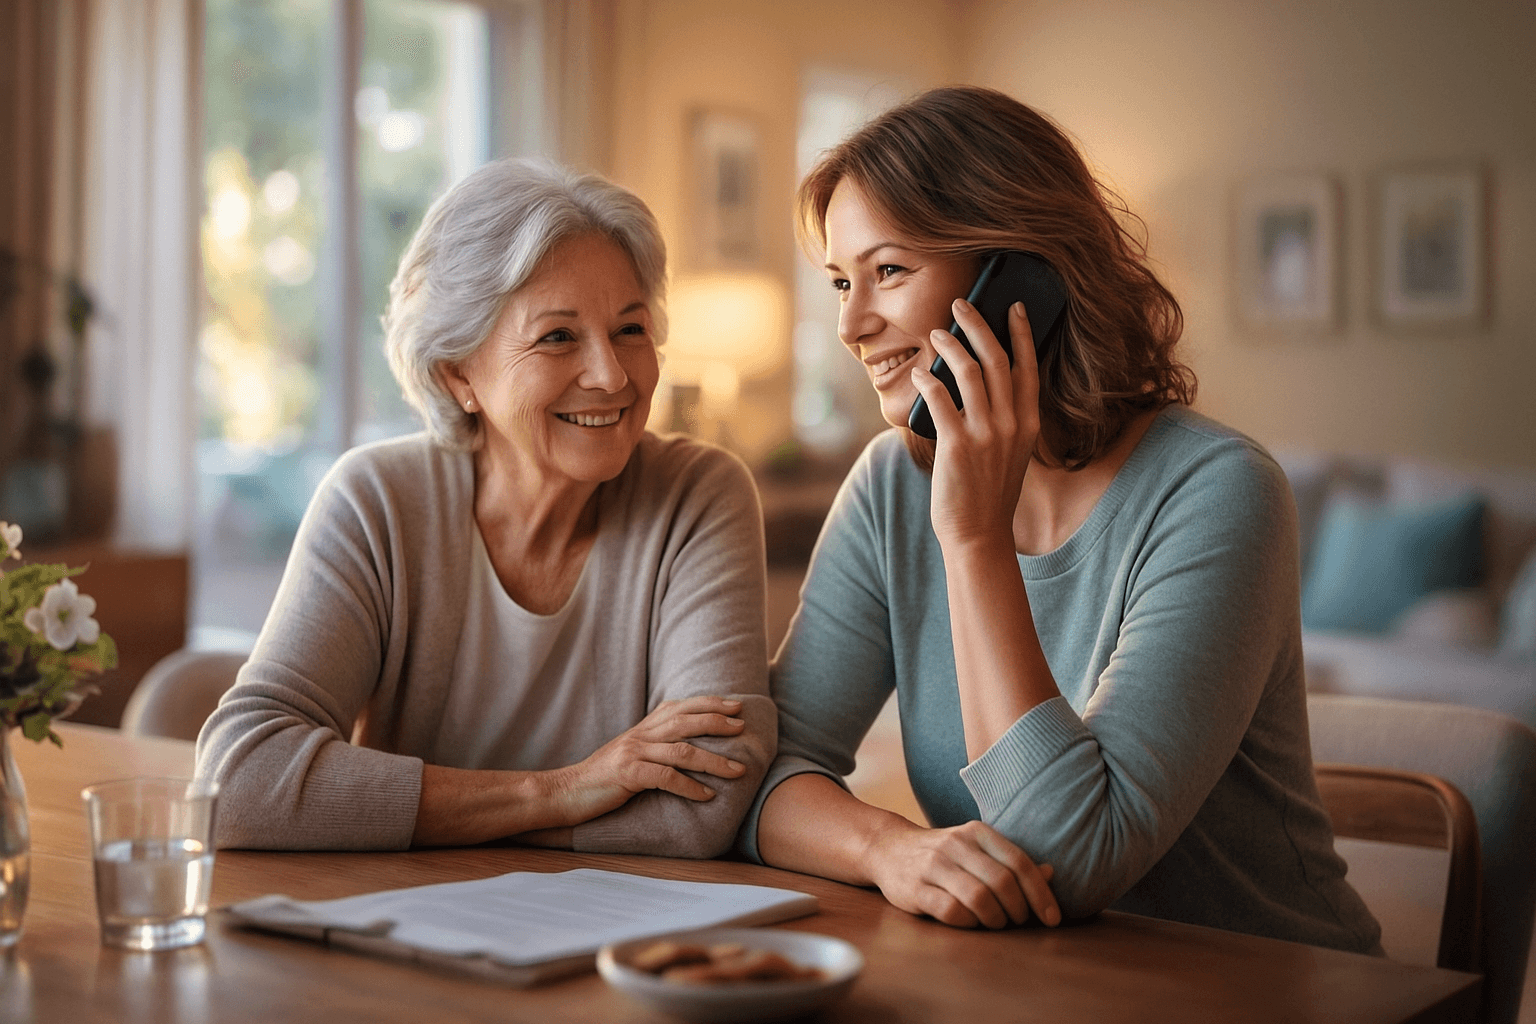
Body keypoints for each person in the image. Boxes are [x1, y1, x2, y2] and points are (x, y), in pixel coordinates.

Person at [741, 86, 1381, 953]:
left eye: (889, 271)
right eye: (841, 282)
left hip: (1269, 987)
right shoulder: (892, 482)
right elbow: (762, 775)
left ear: (1023, 277)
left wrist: (973, 542)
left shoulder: (1220, 492)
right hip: (1040, 984)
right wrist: (889, 849)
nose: (853, 324)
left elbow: (1073, 859)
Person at [196, 158, 775, 856]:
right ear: (458, 373)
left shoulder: (699, 496)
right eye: (558, 337)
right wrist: (564, 790)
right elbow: (238, 784)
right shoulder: (378, 502)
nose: (612, 375)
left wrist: (416, 815)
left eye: (631, 329)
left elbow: (704, 805)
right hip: (394, 926)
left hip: (628, 941)